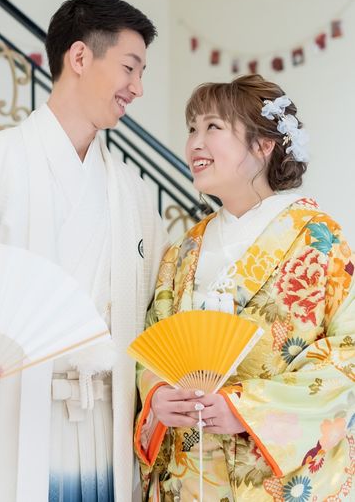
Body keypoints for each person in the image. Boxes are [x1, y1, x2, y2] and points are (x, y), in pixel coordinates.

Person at [0, 0, 168, 502]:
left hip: (104, 427)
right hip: (8, 424)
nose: (137, 88)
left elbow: (159, 311)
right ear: (80, 57)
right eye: (130, 68)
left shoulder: (132, 194)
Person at [134, 74, 354, 500]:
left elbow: (348, 354)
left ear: (263, 145)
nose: (195, 143)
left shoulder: (317, 240)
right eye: (192, 129)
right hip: (190, 475)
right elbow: (152, 344)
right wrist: (158, 396)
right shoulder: (183, 251)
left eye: (213, 127)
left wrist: (249, 409)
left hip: (270, 479)